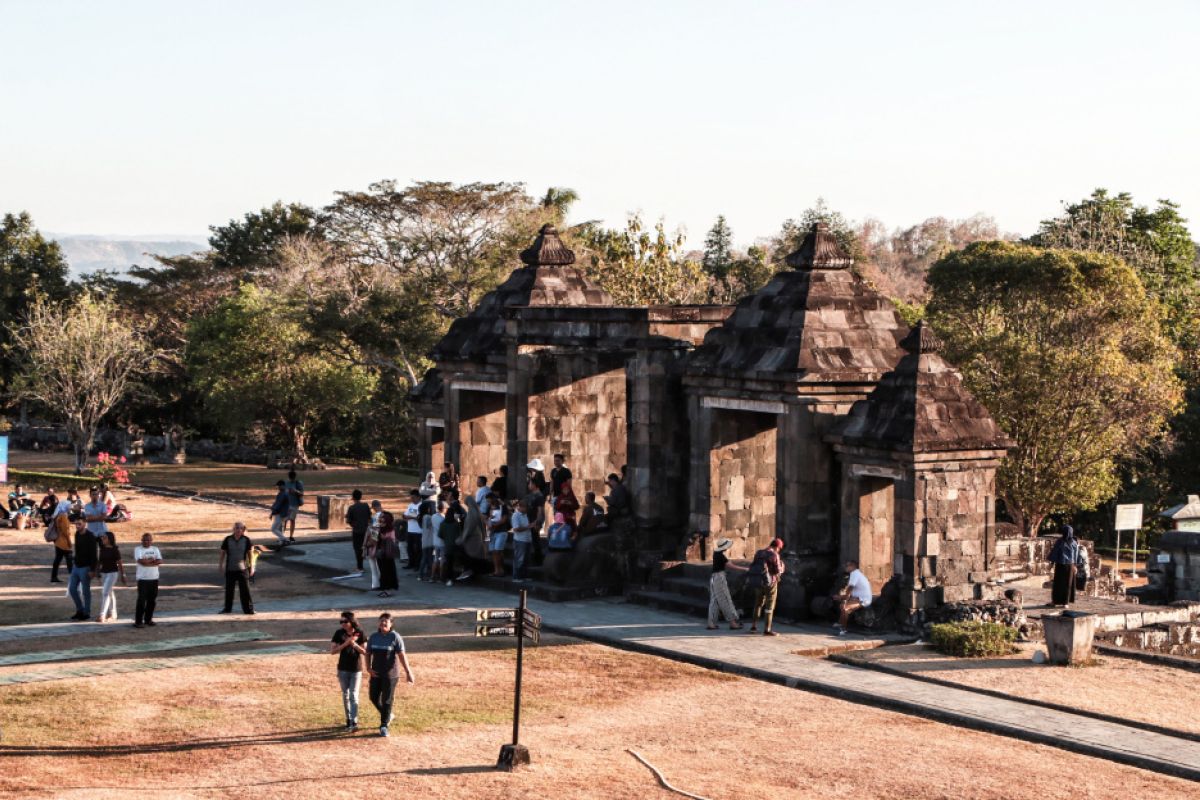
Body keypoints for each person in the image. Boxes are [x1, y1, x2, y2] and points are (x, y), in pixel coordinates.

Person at [365, 612, 415, 737]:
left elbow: (402, 656)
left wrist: (408, 672)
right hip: (376, 674)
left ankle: (383, 726)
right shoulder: (373, 637)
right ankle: (388, 715)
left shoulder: (395, 637)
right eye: (381, 621)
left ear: (391, 624)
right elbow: (368, 653)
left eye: (385, 621)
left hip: (390, 675)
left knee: (386, 700)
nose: (383, 623)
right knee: (373, 697)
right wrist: (368, 668)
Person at [330, 611, 367, 732]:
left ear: (352, 621)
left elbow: (365, 652)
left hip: (356, 669)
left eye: (345, 621)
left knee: (353, 695)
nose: (343, 624)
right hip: (342, 668)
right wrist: (346, 644)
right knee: (345, 695)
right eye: (341, 622)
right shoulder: (339, 633)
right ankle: (348, 720)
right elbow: (333, 651)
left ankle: (354, 721)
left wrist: (354, 644)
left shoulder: (359, 633)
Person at [746, 538, 785, 636]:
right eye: (779, 548)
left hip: (758, 582)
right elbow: (777, 571)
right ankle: (767, 629)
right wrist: (782, 567)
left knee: (758, 604)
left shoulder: (759, 552)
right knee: (769, 606)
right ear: (777, 547)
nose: (779, 550)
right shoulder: (774, 555)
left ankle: (753, 626)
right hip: (770, 582)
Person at [218, 522, 255, 615]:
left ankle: (248, 610)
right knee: (229, 590)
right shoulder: (228, 539)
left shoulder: (246, 540)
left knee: (245, 590)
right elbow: (223, 552)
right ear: (233, 529)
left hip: (243, 569)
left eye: (240, 528)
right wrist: (220, 565)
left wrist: (252, 567)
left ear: (243, 530)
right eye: (237, 528)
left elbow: (250, 554)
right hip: (230, 568)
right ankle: (227, 609)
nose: (238, 530)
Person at [707, 538, 742, 630]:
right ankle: (732, 622)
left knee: (714, 601)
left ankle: (711, 623)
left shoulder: (716, 554)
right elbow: (731, 566)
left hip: (713, 578)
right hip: (719, 578)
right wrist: (744, 569)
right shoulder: (721, 556)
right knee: (725, 599)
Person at [69, 517, 100, 621]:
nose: (77, 526)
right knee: (72, 589)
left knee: (86, 591)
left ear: (85, 524)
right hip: (77, 566)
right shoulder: (77, 534)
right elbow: (77, 549)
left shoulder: (90, 536)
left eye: (79, 524)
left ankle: (86, 612)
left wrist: (92, 570)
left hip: (86, 567)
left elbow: (94, 554)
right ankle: (80, 609)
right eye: (76, 524)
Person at [833, 559, 872, 635]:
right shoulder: (854, 573)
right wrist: (843, 597)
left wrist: (842, 597)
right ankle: (841, 622)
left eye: (847, 565)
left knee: (845, 608)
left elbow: (850, 588)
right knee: (842, 605)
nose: (845, 567)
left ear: (853, 566)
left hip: (863, 600)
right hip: (856, 598)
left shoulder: (855, 574)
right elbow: (848, 589)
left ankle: (843, 629)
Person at [133, 532, 163, 628]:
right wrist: (152, 561)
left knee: (152, 600)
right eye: (145, 540)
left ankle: (148, 619)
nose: (146, 542)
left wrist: (148, 562)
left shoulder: (155, 549)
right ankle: (138, 621)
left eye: (148, 540)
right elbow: (141, 561)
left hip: (154, 578)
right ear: (141, 541)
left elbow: (160, 561)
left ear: (151, 541)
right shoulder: (138, 549)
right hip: (143, 579)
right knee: (141, 600)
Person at [95, 532, 127, 622]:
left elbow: (119, 563)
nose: (102, 539)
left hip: (112, 573)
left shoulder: (115, 550)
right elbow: (100, 561)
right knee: (109, 592)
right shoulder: (102, 549)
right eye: (102, 538)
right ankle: (113, 614)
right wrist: (97, 571)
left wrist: (123, 575)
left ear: (109, 539)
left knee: (105, 592)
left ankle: (102, 615)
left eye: (104, 538)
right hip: (104, 573)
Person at [1048, 524, 1082, 607]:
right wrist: (1075, 565)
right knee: (1066, 584)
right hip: (1069, 566)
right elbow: (1076, 555)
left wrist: (1051, 564)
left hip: (1061, 565)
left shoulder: (1060, 541)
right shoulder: (1074, 542)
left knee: (1059, 584)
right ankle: (1064, 603)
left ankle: (1058, 602)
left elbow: (1055, 553)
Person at [455, 495, 485, 582]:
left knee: (469, 555)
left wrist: (463, 538)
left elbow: (469, 527)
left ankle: (468, 571)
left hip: (473, 537)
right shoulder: (476, 511)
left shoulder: (472, 513)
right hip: (476, 536)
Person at [372, 500, 398, 598]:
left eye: (382, 521)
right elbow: (374, 538)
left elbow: (391, 540)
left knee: (387, 571)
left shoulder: (389, 529)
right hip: (382, 552)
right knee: (383, 571)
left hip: (386, 553)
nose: (380, 522)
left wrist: (382, 537)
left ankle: (387, 589)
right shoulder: (382, 528)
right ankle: (384, 588)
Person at [344, 489, 372, 574]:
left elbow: (348, 521)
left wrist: (353, 524)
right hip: (365, 530)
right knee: (365, 546)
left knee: (357, 548)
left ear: (353, 497)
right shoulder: (366, 506)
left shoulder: (351, 508)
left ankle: (360, 567)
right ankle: (366, 561)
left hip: (356, 531)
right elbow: (369, 517)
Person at [49, 500, 75, 583]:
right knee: (69, 560)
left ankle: (54, 576)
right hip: (63, 541)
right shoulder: (63, 516)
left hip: (58, 541)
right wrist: (69, 542)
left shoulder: (58, 515)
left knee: (58, 560)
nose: (70, 507)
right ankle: (73, 577)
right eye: (69, 505)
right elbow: (65, 531)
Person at [523, 477, 546, 563]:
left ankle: (538, 560)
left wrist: (538, 522)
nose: (529, 485)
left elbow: (540, 511)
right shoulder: (531, 495)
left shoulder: (539, 496)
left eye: (530, 483)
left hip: (534, 521)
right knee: (532, 539)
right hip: (529, 520)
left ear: (534, 485)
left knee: (535, 540)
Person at [420, 501, 444, 582]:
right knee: (429, 558)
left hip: (425, 539)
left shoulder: (424, 517)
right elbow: (430, 526)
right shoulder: (429, 517)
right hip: (429, 540)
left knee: (427, 558)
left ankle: (425, 574)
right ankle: (431, 575)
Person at [510, 499, 533, 582]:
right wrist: (528, 527)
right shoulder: (516, 515)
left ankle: (524, 575)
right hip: (519, 540)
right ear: (520, 507)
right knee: (519, 559)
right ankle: (516, 576)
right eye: (525, 508)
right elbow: (516, 528)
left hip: (527, 539)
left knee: (526, 559)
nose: (526, 509)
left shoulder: (525, 515)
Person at [488, 497, 510, 577]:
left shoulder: (503, 509)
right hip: (493, 532)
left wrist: (495, 524)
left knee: (498, 551)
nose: (491, 506)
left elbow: (503, 519)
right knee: (494, 552)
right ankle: (496, 570)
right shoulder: (491, 510)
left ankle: (500, 569)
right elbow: (489, 519)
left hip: (501, 531)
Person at [403, 490, 424, 572]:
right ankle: (410, 563)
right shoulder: (410, 505)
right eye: (411, 497)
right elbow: (404, 516)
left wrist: (410, 517)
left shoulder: (422, 505)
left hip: (418, 531)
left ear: (418, 497)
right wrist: (411, 517)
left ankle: (417, 565)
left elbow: (419, 518)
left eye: (413, 497)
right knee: (410, 548)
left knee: (418, 549)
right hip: (410, 530)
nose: (411, 499)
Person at [284, 469, 305, 542]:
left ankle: (291, 536)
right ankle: (282, 536)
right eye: (290, 478)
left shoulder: (298, 483)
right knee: (284, 520)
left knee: (292, 520)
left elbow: (302, 493)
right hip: (287, 504)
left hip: (295, 504)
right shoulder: (286, 483)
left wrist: (295, 491)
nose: (291, 479)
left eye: (292, 478)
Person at [268, 480, 290, 546]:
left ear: (283, 485)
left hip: (280, 514)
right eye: (278, 486)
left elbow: (278, 504)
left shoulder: (283, 494)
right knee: (277, 528)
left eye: (279, 486)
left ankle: (285, 539)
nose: (278, 487)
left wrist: (273, 511)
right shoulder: (282, 493)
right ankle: (282, 540)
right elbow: (277, 503)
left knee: (273, 529)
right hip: (281, 513)